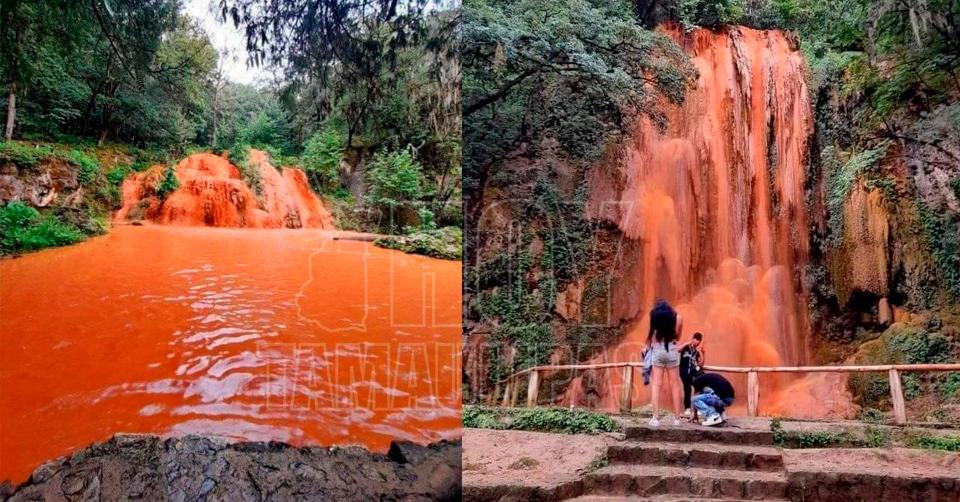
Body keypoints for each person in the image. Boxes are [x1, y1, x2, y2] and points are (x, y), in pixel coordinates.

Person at [646, 299, 683, 427]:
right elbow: (678, 337)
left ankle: (655, 418)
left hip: (658, 349)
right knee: (675, 384)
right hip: (672, 349)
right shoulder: (677, 317)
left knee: (656, 384)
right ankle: (677, 418)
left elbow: (652, 335)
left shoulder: (654, 316)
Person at [679, 332, 705, 416]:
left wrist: (703, 354)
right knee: (687, 388)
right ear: (693, 339)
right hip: (683, 371)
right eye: (696, 339)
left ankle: (697, 409)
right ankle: (687, 408)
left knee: (699, 387)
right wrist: (685, 343)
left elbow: (700, 364)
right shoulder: (686, 347)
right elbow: (678, 350)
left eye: (698, 340)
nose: (697, 341)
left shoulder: (696, 353)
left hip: (692, 372)